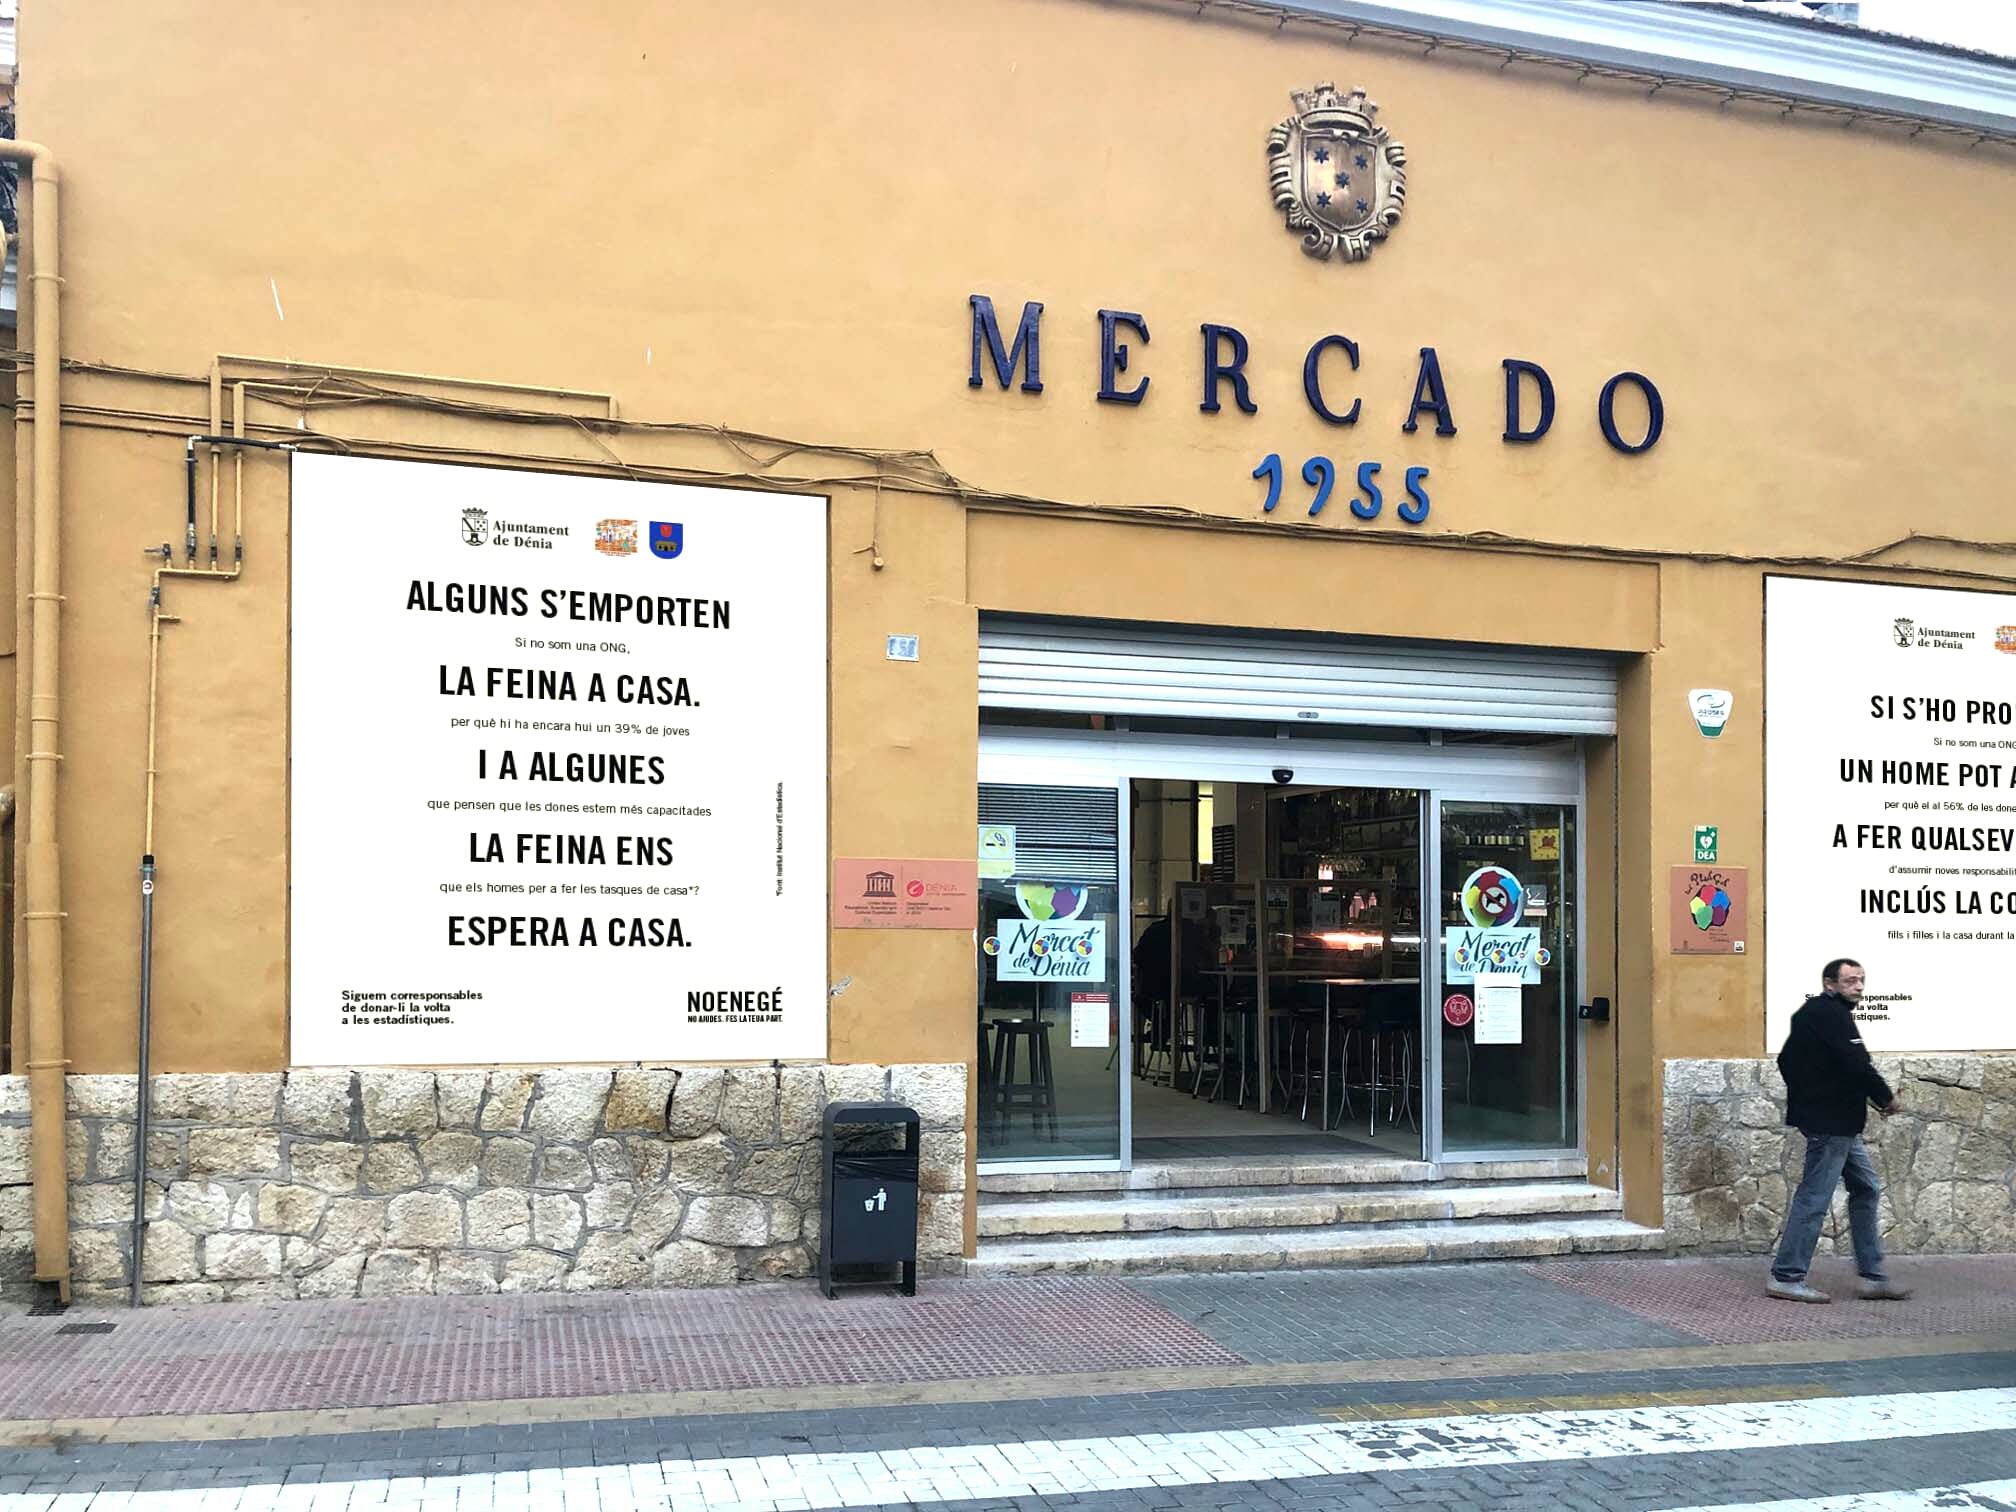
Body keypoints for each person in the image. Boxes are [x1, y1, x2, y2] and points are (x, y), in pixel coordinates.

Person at [1767, 958, 1912, 1303]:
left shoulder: (1813, 1014)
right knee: (1815, 1197)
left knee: (1866, 1188)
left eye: (1861, 980)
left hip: (1838, 1124)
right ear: (1830, 983)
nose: (1859, 987)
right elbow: (1857, 1063)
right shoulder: (1830, 1015)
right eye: (1850, 981)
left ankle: (1873, 1276)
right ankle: (1786, 1276)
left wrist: (1808, 1095)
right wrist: (1885, 1099)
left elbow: (1786, 1060)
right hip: (1831, 1125)